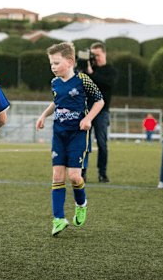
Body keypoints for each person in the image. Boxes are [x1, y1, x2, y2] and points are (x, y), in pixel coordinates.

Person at [36, 42, 104, 236]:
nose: (53, 67)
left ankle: (81, 203)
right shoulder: (54, 83)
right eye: (51, 64)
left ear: (70, 61)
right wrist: (43, 115)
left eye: (56, 63)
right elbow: (56, 102)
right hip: (59, 134)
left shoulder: (83, 79)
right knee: (57, 176)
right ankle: (58, 219)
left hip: (78, 135)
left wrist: (88, 118)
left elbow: (99, 100)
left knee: (74, 176)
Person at [86, 42, 117, 183]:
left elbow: (107, 83)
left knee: (102, 144)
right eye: (93, 55)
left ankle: (102, 173)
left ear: (104, 54)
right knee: (84, 143)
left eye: (97, 55)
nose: (95, 58)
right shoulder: (87, 70)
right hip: (86, 111)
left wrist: (92, 73)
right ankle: (81, 172)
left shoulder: (110, 71)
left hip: (102, 112)